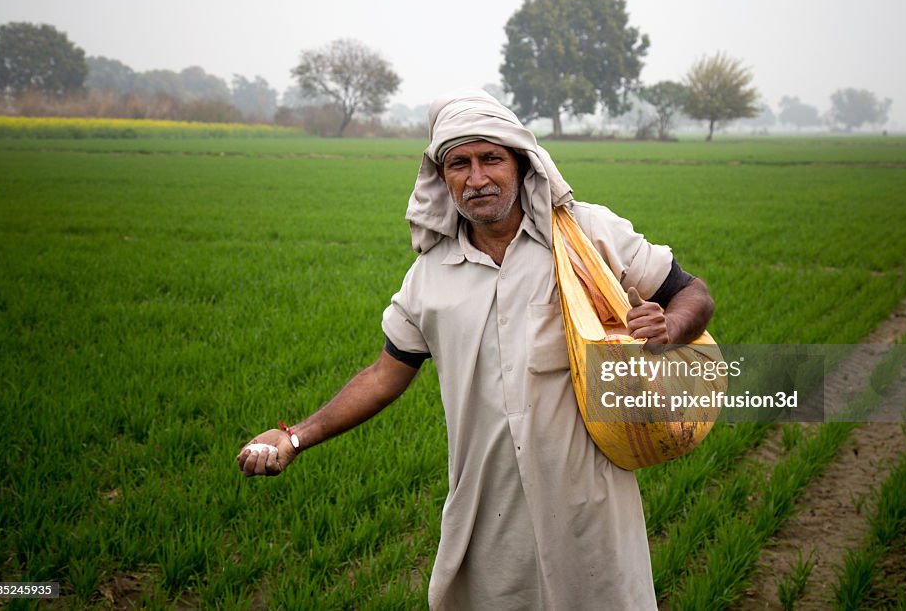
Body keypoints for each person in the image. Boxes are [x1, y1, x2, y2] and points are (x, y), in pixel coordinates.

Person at [237, 89, 714, 609]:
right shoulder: (429, 276)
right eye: (459, 164)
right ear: (441, 179)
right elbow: (383, 376)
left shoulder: (587, 235)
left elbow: (694, 294)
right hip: (488, 517)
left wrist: (670, 324)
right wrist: (294, 438)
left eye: (491, 158)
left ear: (522, 163)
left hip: (590, 509)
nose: (477, 178)